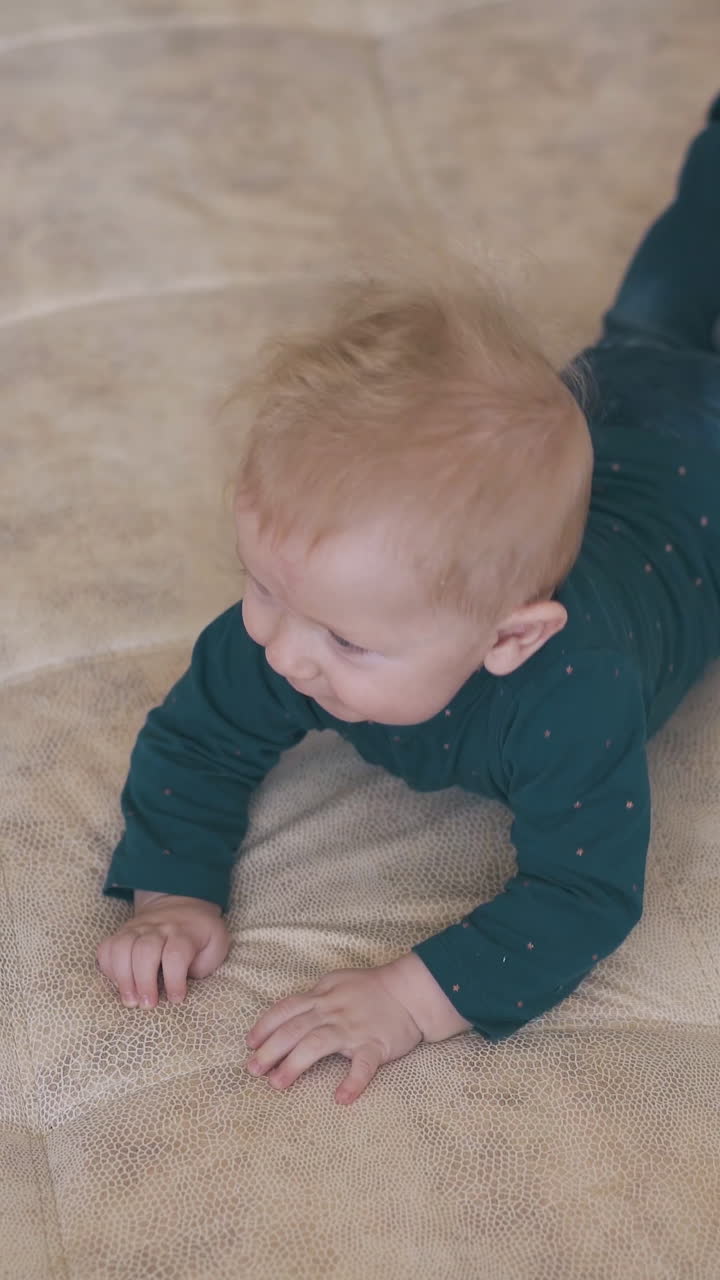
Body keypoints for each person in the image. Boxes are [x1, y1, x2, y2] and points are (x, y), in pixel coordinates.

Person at [97, 96, 720, 1105]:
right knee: (661, 301)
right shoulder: (298, 621)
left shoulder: (576, 695)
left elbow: (584, 892)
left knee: (670, 297)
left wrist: (413, 995)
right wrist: (172, 889)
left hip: (703, 489)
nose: (286, 651)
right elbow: (196, 739)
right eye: (261, 582)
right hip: (626, 385)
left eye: (346, 639)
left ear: (512, 637)